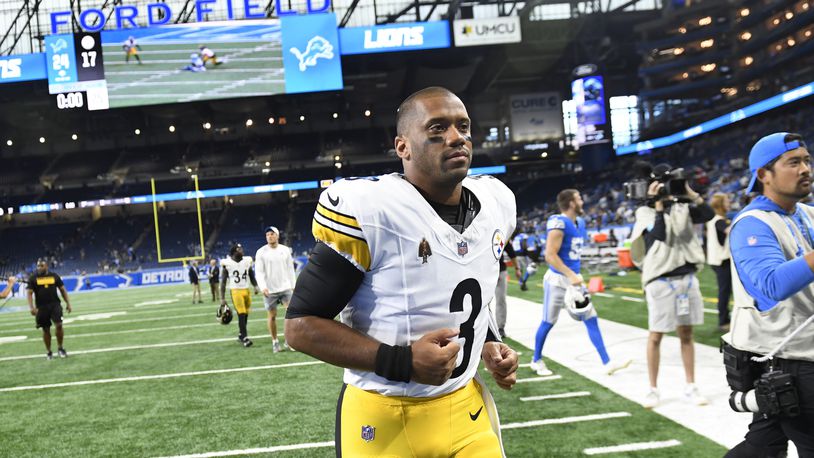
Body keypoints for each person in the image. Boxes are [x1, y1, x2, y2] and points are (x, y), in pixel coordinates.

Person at [284, 86, 519, 457]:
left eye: (463, 126)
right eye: (437, 129)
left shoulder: (496, 202)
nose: (456, 138)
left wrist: (488, 340)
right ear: (403, 147)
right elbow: (300, 326)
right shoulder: (372, 209)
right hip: (384, 418)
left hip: (465, 410)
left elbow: (469, 287)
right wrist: (403, 361)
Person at [724, 132, 814, 456]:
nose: (805, 168)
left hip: (795, 356)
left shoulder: (804, 213)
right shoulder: (752, 223)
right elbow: (772, 285)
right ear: (763, 175)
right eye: (793, 162)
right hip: (789, 360)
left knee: (764, 444)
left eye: (806, 160)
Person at [629, 163, 714, 408]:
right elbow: (659, 235)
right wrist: (657, 205)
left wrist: (689, 193)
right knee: (656, 335)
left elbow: (708, 215)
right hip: (661, 279)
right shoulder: (644, 212)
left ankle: (691, 385)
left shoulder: (683, 206)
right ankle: (653, 389)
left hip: (687, 276)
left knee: (686, 334)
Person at [530, 189, 632, 377]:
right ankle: (536, 360)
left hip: (574, 280)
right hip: (558, 279)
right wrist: (571, 274)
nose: (582, 202)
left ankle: (607, 362)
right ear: (570, 203)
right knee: (548, 321)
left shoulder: (581, 222)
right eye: (579, 198)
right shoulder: (558, 222)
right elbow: (550, 256)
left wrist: (575, 276)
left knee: (591, 318)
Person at [255, 226, 297, 353]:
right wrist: (263, 287)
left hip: (285, 288)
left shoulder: (285, 250)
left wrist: (293, 284)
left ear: (277, 236)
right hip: (270, 290)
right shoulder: (261, 252)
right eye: (267, 234)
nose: (270, 236)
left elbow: (290, 269)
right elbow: (259, 272)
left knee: (290, 315)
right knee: (272, 316)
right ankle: (275, 342)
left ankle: (289, 340)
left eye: (272, 234)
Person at [27, 260, 72, 360]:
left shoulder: (54, 276)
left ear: (46, 266)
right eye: (38, 266)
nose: (39, 267)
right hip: (41, 308)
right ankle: (49, 352)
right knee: (45, 329)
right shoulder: (33, 278)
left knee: (59, 325)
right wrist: (31, 307)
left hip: (55, 305)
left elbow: (62, 290)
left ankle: (60, 348)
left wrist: (68, 303)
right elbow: (29, 293)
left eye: (41, 266)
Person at [220, 244, 259, 347]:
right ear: (233, 252)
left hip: (246, 289)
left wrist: (255, 286)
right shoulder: (227, 264)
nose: (241, 251)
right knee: (241, 313)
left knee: (245, 313)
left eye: (241, 248)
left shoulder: (246, 261)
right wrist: (222, 298)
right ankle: (245, 337)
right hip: (235, 291)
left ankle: (241, 334)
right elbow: (223, 282)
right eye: (238, 249)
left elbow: (251, 274)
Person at [707, 192, 732, 332]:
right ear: (720, 204)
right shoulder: (718, 221)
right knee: (724, 291)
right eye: (726, 201)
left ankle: (726, 318)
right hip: (722, 261)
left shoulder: (719, 219)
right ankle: (723, 321)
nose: (729, 203)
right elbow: (729, 230)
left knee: (726, 290)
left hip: (720, 260)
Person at [495, 240, 519, 339]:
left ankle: (500, 327)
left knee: (501, 300)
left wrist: (517, 268)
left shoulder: (501, 235)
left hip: (500, 271)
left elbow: (511, 252)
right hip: (484, 272)